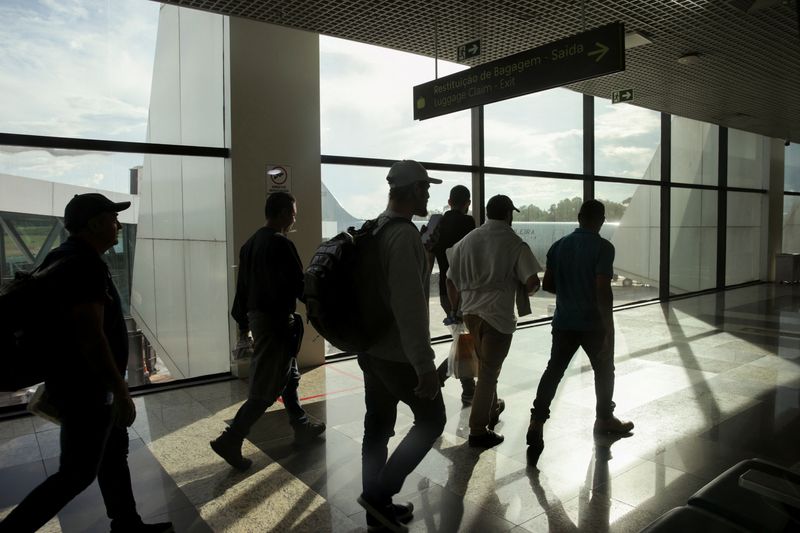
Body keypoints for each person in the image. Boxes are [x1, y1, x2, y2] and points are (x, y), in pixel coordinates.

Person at [0, 194, 172, 533]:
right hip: (87, 387)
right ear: (94, 223)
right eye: (112, 218)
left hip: (80, 382)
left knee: (112, 455)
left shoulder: (64, 257)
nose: (119, 226)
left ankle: (127, 523)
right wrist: (119, 389)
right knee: (76, 474)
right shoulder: (84, 265)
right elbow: (91, 336)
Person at [356, 160, 447, 533]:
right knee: (431, 420)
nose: (428, 194)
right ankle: (379, 494)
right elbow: (410, 309)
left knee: (377, 425)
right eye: (424, 188)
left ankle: (376, 508)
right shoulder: (404, 235)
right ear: (410, 191)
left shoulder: (376, 228)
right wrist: (424, 367)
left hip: (370, 349)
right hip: (396, 354)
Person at [210, 191, 325, 471]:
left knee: (289, 376)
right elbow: (300, 285)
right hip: (276, 323)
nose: (295, 217)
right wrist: (321, 311)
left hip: (259, 320)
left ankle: (300, 425)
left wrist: (243, 325)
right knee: (264, 388)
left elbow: (242, 290)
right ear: (284, 213)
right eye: (294, 212)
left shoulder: (250, 244)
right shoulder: (281, 244)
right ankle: (231, 438)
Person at [526, 199, 634, 456]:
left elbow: (549, 285)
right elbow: (602, 290)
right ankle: (604, 419)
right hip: (593, 323)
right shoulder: (603, 248)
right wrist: (608, 328)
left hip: (564, 322)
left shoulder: (558, 246)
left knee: (554, 370)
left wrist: (570, 285)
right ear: (601, 220)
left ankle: (537, 420)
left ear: (578, 217)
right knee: (604, 370)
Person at [446, 194, 541, 448]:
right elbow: (532, 283)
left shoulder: (467, 241)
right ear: (509, 214)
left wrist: (456, 308)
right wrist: (524, 287)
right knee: (488, 372)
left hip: (470, 314)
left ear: (487, 212)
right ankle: (477, 430)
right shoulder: (513, 242)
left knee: (487, 368)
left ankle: (492, 408)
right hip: (498, 316)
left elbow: (450, 279)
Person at [429, 185, 477, 404]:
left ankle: (469, 389)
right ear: (467, 203)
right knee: (463, 340)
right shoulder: (468, 223)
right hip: (464, 290)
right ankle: (438, 378)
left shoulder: (437, 224)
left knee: (461, 338)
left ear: (449, 202)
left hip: (444, 291)